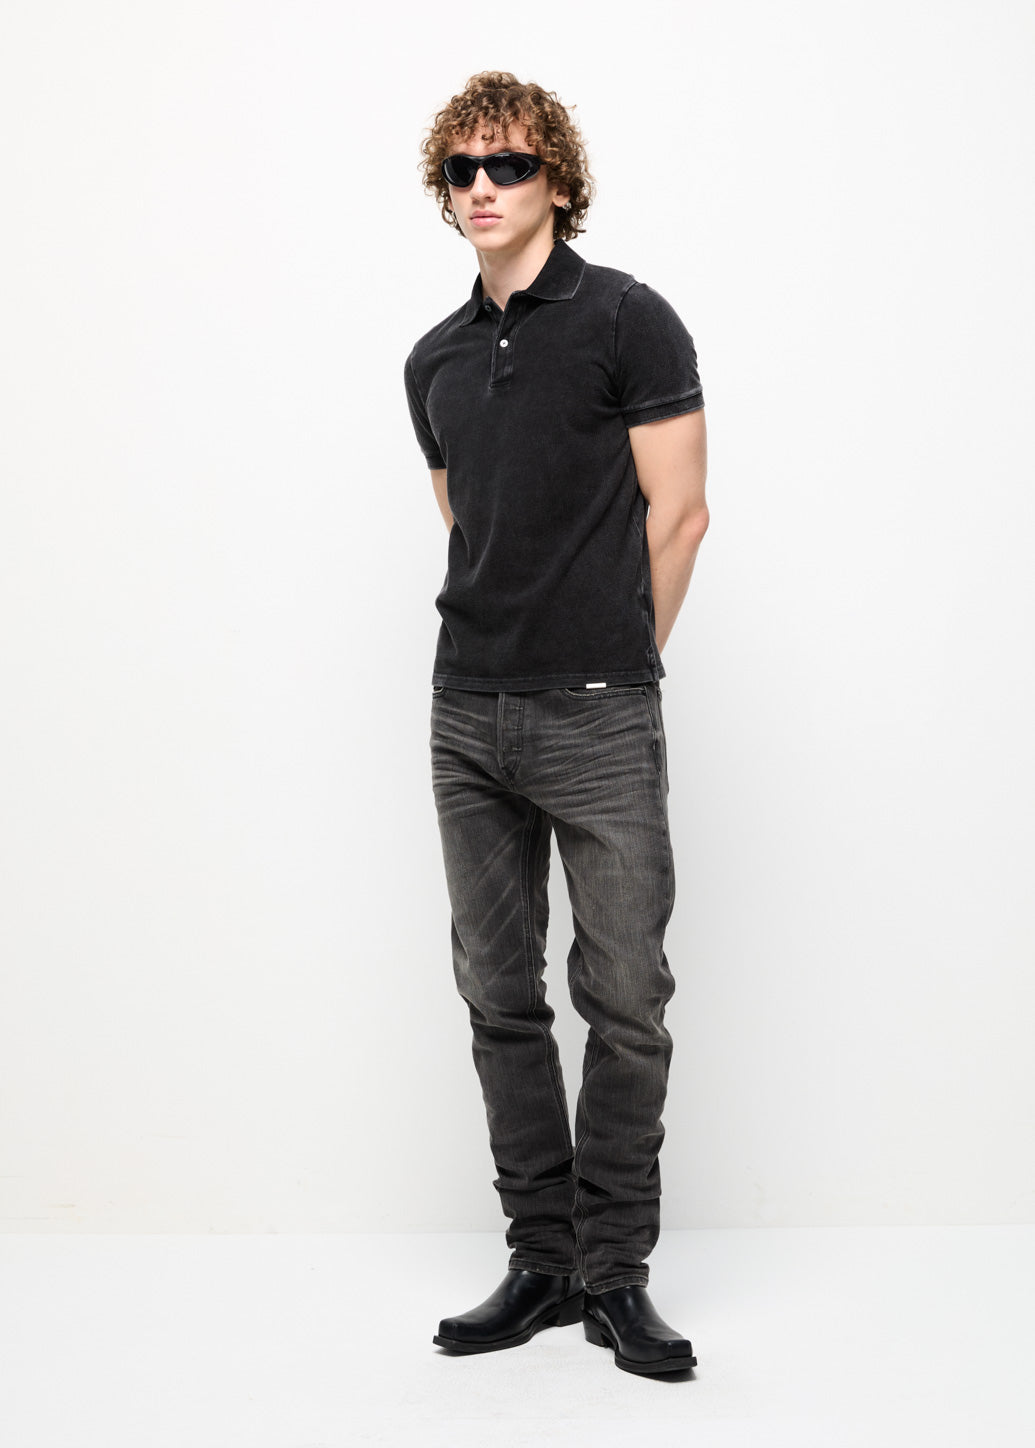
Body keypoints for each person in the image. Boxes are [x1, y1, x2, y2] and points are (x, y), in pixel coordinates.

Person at [404, 71, 709, 1377]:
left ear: (558, 183)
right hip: (465, 713)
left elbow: (680, 515)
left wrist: (617, 663)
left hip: (597, 711)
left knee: (626, 998)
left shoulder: (629, 319)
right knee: (497, 993)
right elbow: (467, 523)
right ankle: (541, 1262)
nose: (483, 187)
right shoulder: (432, 359)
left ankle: (615, 1274)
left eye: (509, 165)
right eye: (462, 169)